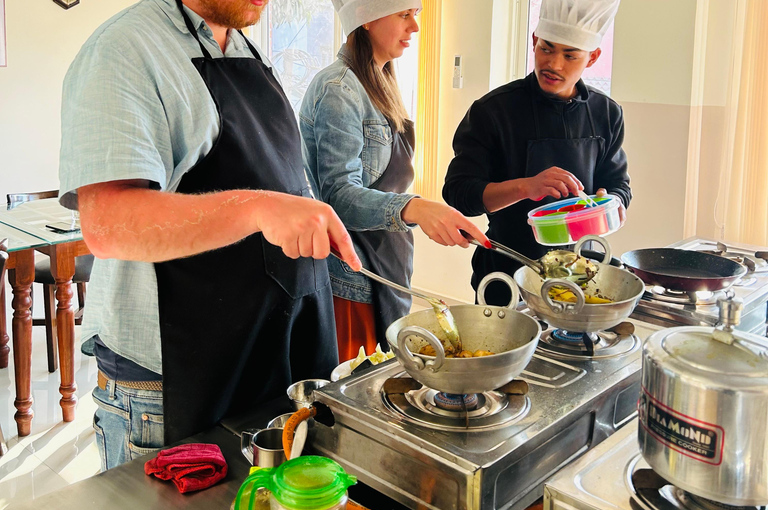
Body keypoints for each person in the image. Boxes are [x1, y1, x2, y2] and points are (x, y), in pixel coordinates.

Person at [58, 0, 362, 470]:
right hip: (173, 383)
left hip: (263, 355)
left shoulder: (243, 47)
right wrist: (259, 207)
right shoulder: (124, 49)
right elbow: (109, 224)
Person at [300, 0, 489, 360]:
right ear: (366, 19)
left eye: (415, 15)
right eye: (405, 15)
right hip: (351, 279)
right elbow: (338, 197)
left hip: (386, 267)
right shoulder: (339, 89)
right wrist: (416, 208)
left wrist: (423, 211)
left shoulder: (381, 79)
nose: (414, 28)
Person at [442, 0, 630, 306]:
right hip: (507, 270)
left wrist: (611, 205)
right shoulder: (493, 111)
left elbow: (619, 187)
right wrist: (526, 187)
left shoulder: (606, 113)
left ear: (592, 57)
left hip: (580, 273)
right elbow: (459, 193)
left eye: (570, 55)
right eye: (546, 48)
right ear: (533, 41)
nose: (554, 64)